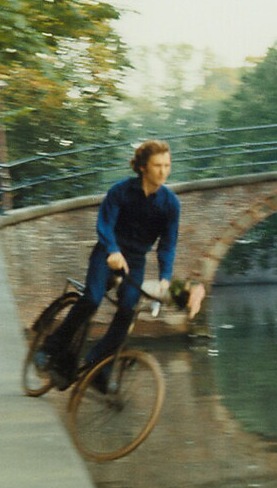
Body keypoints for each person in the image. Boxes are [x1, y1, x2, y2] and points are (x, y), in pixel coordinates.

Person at [36, 140, 180, 389]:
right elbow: (105, 223)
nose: (163, 171)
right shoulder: (121, 191)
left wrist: (165, 277)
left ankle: (97, 367)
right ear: (143, 167)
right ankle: (51, 348)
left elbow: (167, 245)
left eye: (167, 165)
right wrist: (112, 249)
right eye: (157, 165)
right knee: (92, 298)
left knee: (128, 311)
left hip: (135, 259)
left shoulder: (170, 204)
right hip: (108, 251)